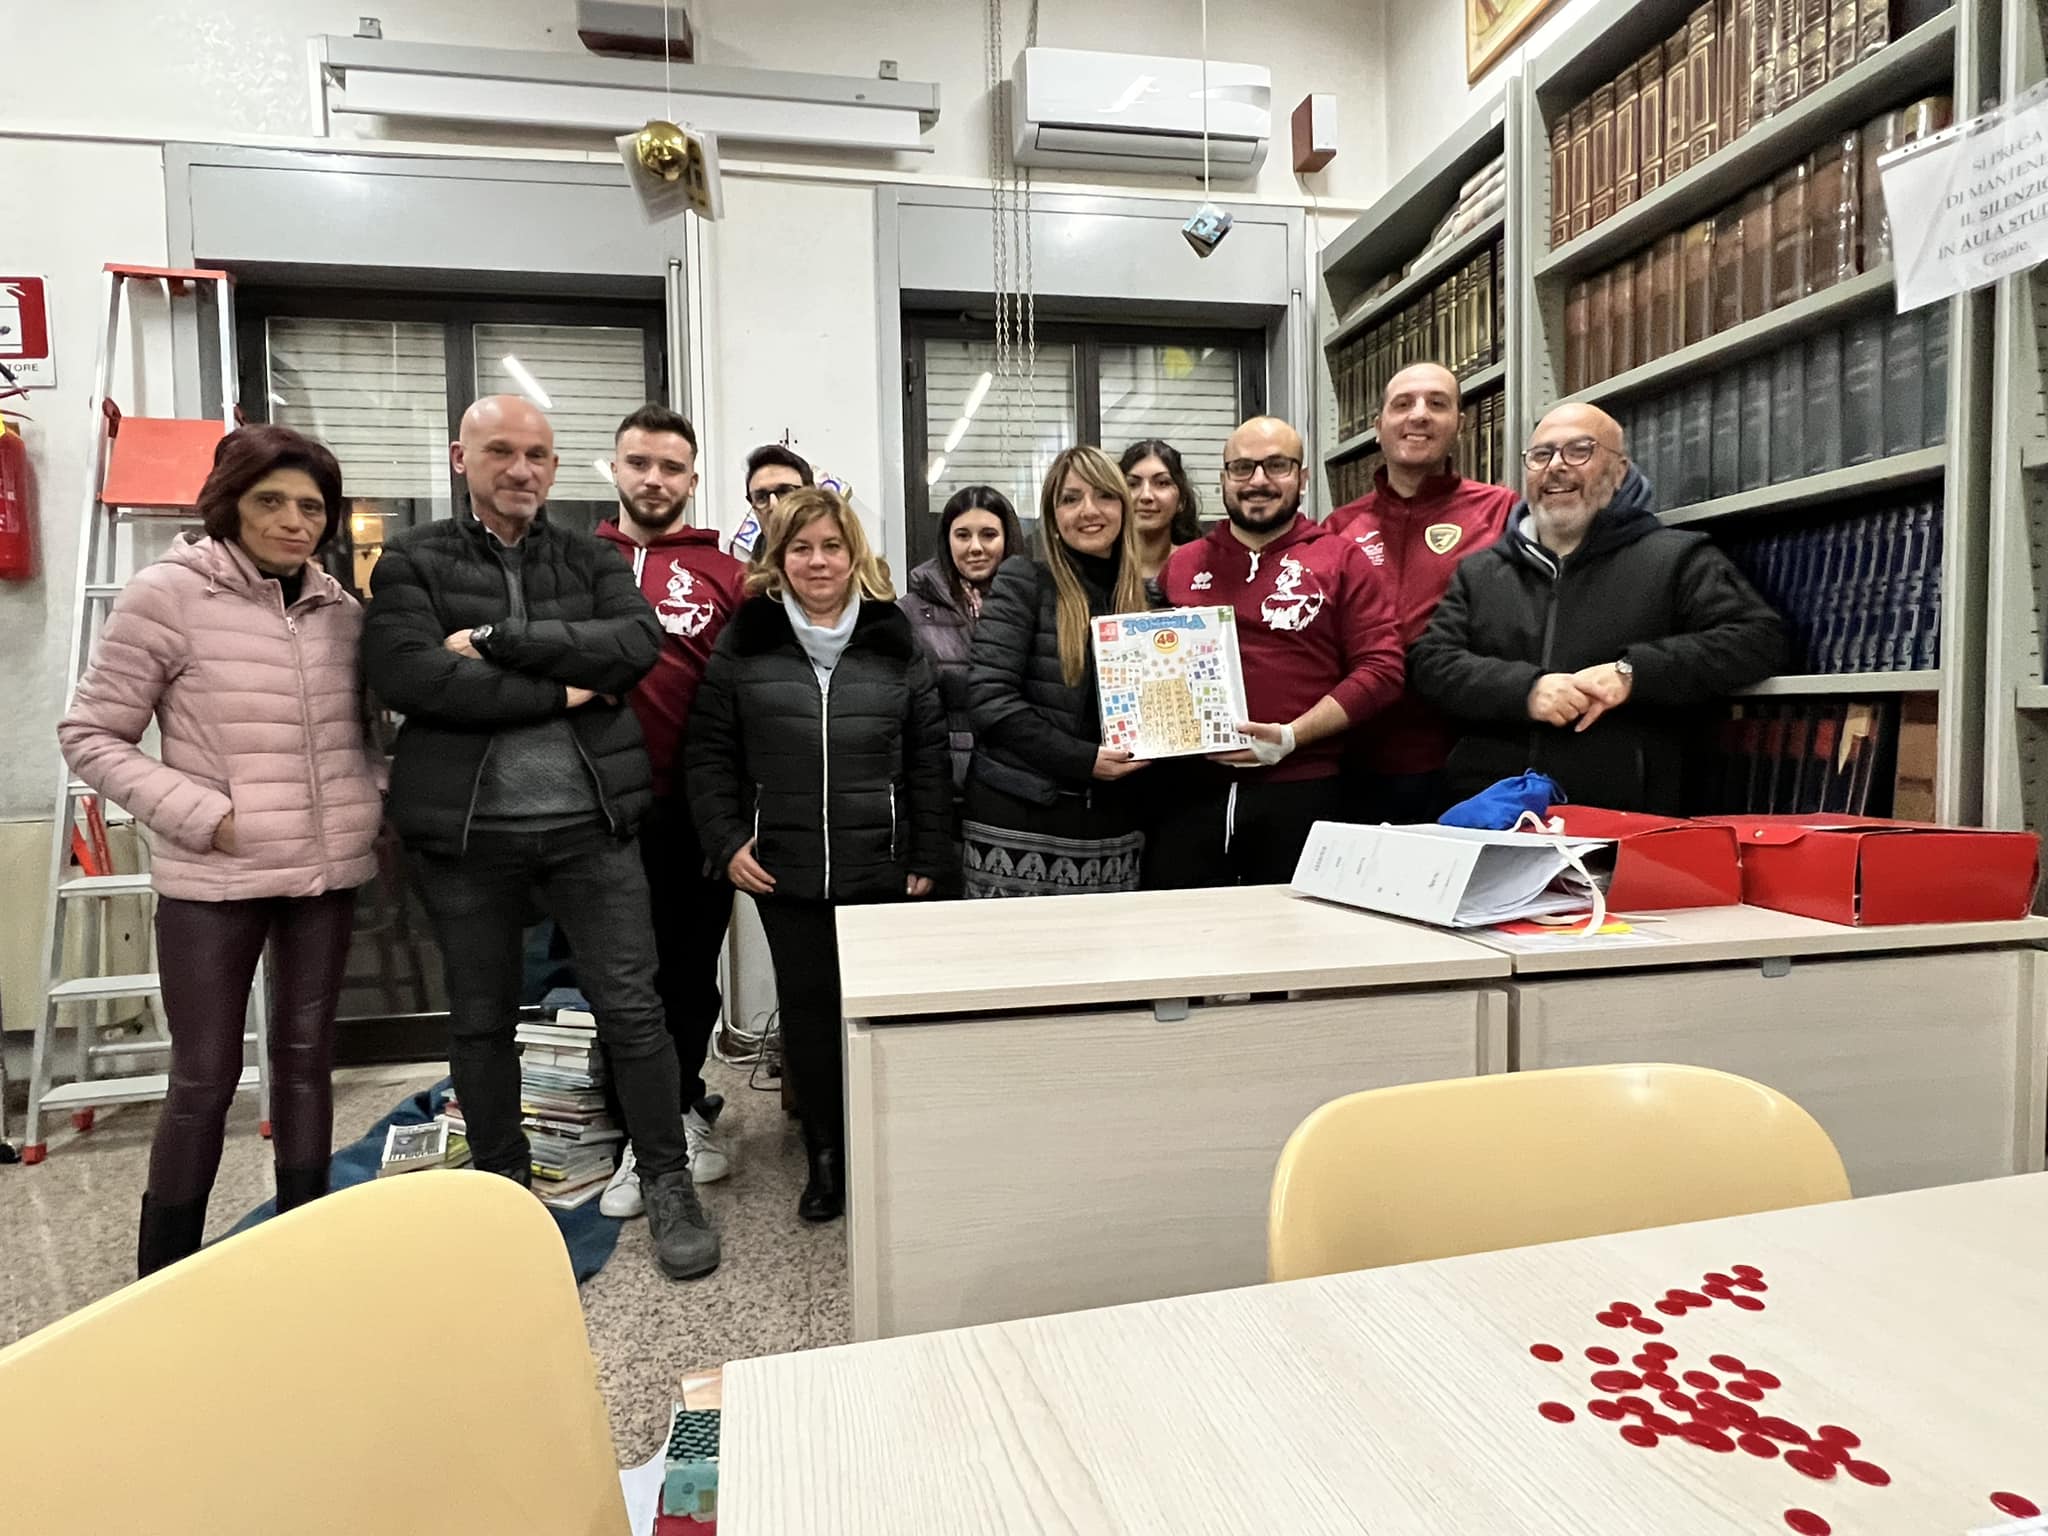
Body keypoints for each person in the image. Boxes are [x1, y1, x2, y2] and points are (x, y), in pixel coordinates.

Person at [360, 394, 718, 1281]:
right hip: (468, 838)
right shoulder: (412, 560)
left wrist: (493, 640)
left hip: (592, 830)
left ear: (558, 469)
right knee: (481, 1024)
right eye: (502, 453)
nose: (522, 470)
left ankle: (667, 1179)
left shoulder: (590, 559)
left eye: (539, 456)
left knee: (636, 1015)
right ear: (461, 457)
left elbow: (633, 646)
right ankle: (502, 1189)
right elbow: (410, 675)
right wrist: (561, 689)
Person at [57, 425, 385, 1276]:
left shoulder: (340, 612)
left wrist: (368, 798)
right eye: (271, 500)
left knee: (309, 1064)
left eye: (311, 507)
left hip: (324, 874)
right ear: (230, 502)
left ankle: (304, 1252)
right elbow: (92, 735)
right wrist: (207, 817)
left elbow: (364, 736)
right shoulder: (167, 595)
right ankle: (163, 1274)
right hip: (215, 878)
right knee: (203, 1079)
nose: (293, 521)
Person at [686, 487, 950, 1222]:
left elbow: (928, 754)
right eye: (800, 548)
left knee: (878, 1013)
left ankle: (884, 1148)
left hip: (883, 863)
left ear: (853, 553)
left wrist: (929, 846)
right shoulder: (748, 639)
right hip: (786, 871)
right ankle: (828, 1156)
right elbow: (708, 753)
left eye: (832, 546)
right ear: (780, 559)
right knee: (807, 1013)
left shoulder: (895, 639)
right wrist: (728, 839)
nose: (818, 561)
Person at [1410, 402, 1784, 814]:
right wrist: (1526, 690)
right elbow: (1430, 663)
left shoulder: (1676, 558)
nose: (1556, 467)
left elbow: (1758, 639)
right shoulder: (1479, 572)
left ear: (1619, 470)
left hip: (1622, 823)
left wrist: (1632, 674)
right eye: (1541, 455)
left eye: (1579, 451)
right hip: (1486, 815)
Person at [591, 404, 747, 1220]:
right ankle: (633, 1135)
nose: (654, 479)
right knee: (624, 983)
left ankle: (680, 1106)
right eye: (639, 463)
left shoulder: (727, 573)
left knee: (690, 977)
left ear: (692, 478)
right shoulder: (579, 563)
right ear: (615, 469)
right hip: (596, 811)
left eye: (671, 467)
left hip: (694, 811)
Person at [1150, 416, 1405, 887]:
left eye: (1277, 466)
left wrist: (1292, 737)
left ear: (1302, 478)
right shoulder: (1182, 565)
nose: (1259, 481)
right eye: (1243, 468)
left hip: (1304, 789)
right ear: (1224, 479)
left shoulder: (1342, 559)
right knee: (1184, 940)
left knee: (1296, 944)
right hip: (1189, 796)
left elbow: (1383, 669)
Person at [1326, 363, 1518, 822]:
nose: (1419, 415)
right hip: (1356, 759)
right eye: (1403, 404)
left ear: (1460, 425)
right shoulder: (1337, 528)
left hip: (1466, 761)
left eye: (1437, 403)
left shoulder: (1504, 512)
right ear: (1379, 428)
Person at [963, 446, 1152, 898]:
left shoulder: (1150, 604)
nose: (1088, 511)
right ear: (1052, 514)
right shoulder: (1023, 581)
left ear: (1123, 508)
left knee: (1107, 965)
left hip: (1114, 829)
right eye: (1070, 499)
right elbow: (989, 699)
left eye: (1104, 496)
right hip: (1017, 824)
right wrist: (1083, 760)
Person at [900, 485, 1026, 807]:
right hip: (941, 788)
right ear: (947, 540)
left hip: (1016, 784)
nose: (975, 547)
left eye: (988, 535)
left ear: (1007, 539)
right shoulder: (909, 613)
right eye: (962, 535)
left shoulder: (1033, 605)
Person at [1121, 439, 1204, 580]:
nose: (1146, 496)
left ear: (1181, 501)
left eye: (1162, 483)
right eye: (1133, 484)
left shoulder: (1203, 567)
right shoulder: (1099, 572)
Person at [732, 444, 814, 564]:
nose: (773, 505)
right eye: (761, 497)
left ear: (812, 496)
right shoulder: (741, 578)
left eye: (785, 492)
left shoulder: (843, 564)